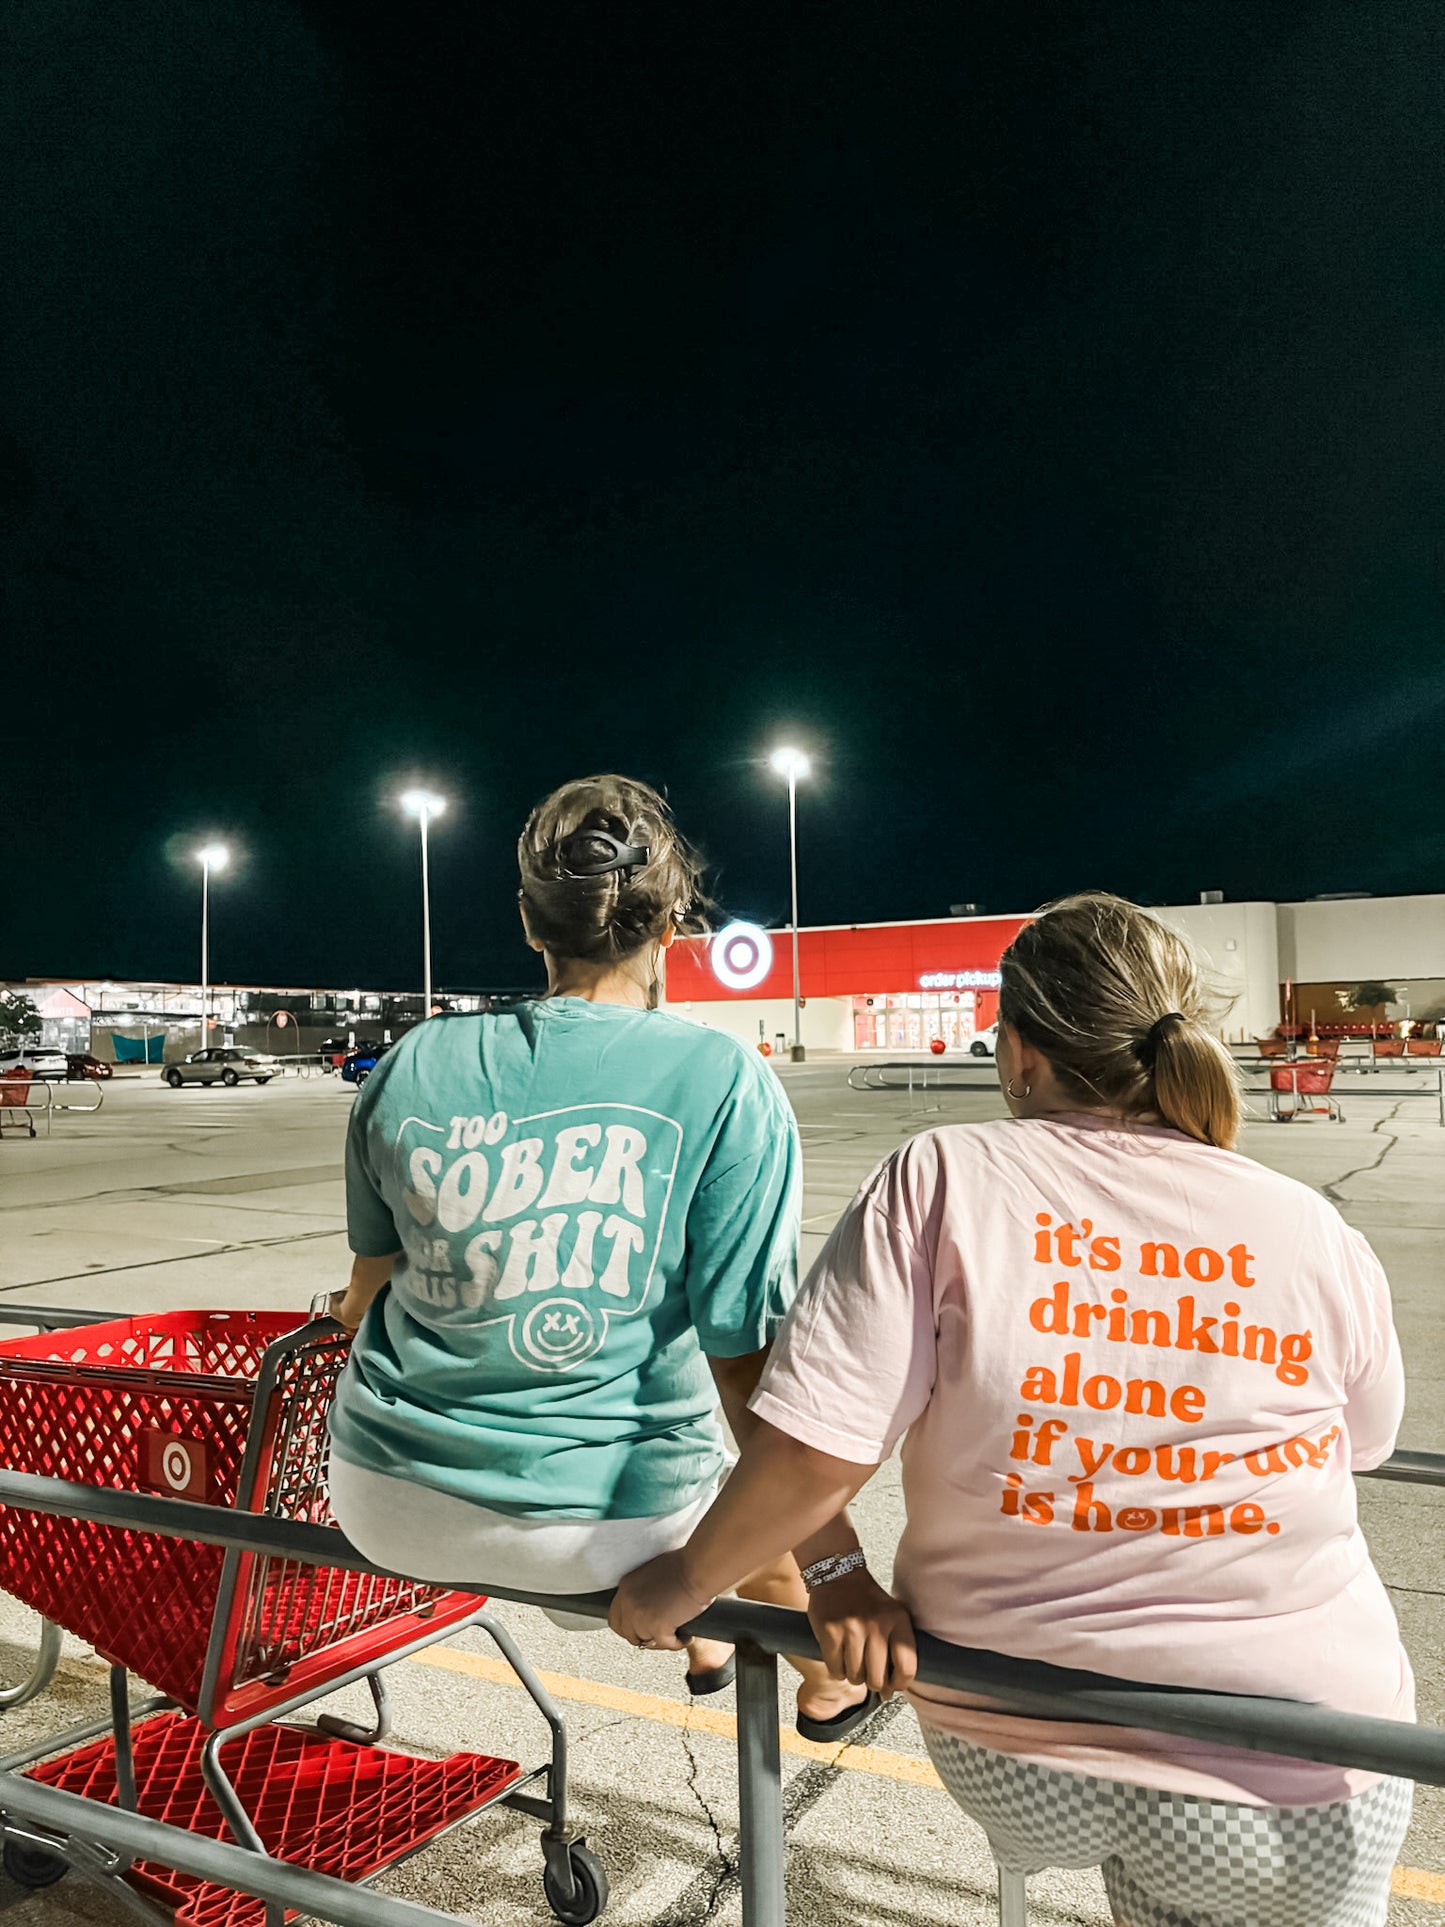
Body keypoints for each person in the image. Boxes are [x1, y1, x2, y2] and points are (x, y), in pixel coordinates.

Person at [612, 892, 1413, 1927]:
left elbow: (812, 1448)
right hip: (1286, 1758)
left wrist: (713, 1582)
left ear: (1021, 1052)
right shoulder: (1307, 1225)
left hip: (1007, 1736)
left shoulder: (943, 1174)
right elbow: (1365, 1439)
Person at [326, 774, 867, 1735]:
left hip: (382, 1499)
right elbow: (747, 1363)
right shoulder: (721, 1078)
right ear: (672, 928)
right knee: (743, 1518)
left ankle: (709, 1644)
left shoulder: (412, 1062)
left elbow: (367, 1293)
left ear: (532, 924)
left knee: (690, 1496)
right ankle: (828, 1680)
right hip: (604, 1526)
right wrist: (838, 1565)